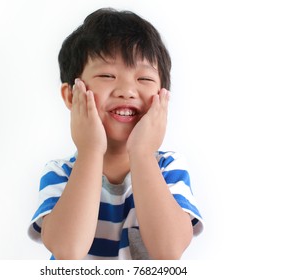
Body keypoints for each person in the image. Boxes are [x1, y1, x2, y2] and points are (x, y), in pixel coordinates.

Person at [28, 7, 203, 260]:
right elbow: (67, 252)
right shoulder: (60, 172)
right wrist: (90, 151)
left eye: (144, 79)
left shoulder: (168, 168)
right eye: (107, 75)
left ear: (163, 97)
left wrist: (141, 154)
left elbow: (169, 252)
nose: (127, 90)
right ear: (70, 95)